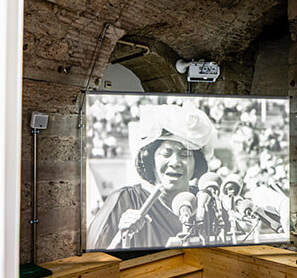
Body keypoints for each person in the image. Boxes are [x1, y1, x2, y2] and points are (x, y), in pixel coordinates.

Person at [87, 104, 218, 249]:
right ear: (151, 161)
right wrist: (122, 236)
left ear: (196, 164)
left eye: (184, 155)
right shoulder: (124, 200)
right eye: (166, 154)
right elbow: (94, 260)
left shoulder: (206, 203)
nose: (175, 162)